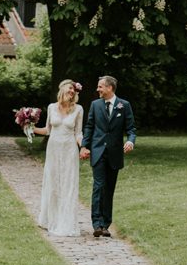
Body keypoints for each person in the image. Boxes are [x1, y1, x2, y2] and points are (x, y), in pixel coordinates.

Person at [79, 75, 136, 237]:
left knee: (109, 189)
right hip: (98, 152)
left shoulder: (124, 105)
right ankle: (96, 223)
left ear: (109, 88)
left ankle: (105, 224)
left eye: (100, 87)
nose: (98, 89)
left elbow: (131, 129)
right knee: (98, 186)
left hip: (115, 153)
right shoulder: (95, 105)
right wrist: (84, 146)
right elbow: (89, 126)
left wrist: (131, 141)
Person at [34, 78, 83, 237]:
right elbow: (47, 130)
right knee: (53, 182)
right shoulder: (52, 107)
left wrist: (84, 147)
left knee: (68, 184)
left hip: (69, 149)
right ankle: (49, 219)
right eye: (69, 89)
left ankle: (66, 222)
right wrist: (30, 127)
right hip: (53, 149)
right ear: (62, 89)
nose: (71, 92)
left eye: (73, 90)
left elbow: (78, 133)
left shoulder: (78, 109)